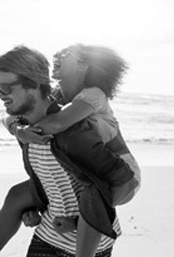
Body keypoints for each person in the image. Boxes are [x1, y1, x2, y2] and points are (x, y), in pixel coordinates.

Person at [0, 45, 136, 256]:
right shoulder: (32, 126)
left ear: (34, 84)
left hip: (89, 242)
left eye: (6, 87)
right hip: (47, 236)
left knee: (94, 192)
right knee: (17, 194)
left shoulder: (77, 128)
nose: (1, 95)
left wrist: (76, 221)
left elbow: (124, 182)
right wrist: (36, 208)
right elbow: (49, 180)